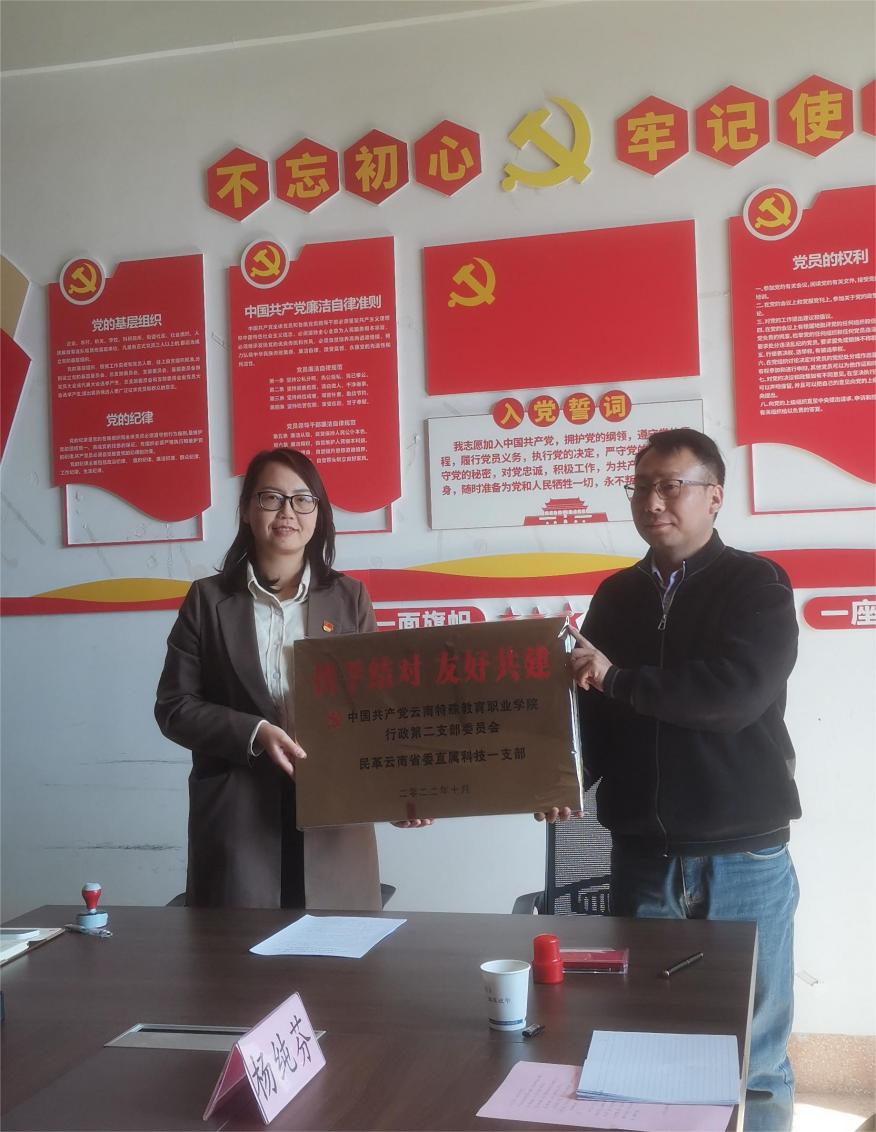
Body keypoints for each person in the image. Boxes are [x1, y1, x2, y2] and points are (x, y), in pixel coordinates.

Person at [546, 428, 801, 1132]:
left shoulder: (757, 584)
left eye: (671, 486)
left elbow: (734, 697)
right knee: (652, 1043)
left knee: (757, 1058)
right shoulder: (616, 595)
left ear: (714, 497)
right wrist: (560, 779)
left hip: (743, 857)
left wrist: (619, 679)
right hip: (643, 858)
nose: (653, 501)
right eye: (641, 487)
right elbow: (593, 715)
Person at [155, 447, 428, 910]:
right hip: (237, 816)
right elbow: (175, 707)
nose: (288, 512)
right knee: (238, 951)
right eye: (271, 497)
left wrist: (400, 791)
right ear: (247, 509)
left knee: (336, 950)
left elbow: (376, 709)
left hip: (335, 814)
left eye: (303, 499)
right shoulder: (208, 600)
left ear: (318, 514)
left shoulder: (349, 598)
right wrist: (255, 731)